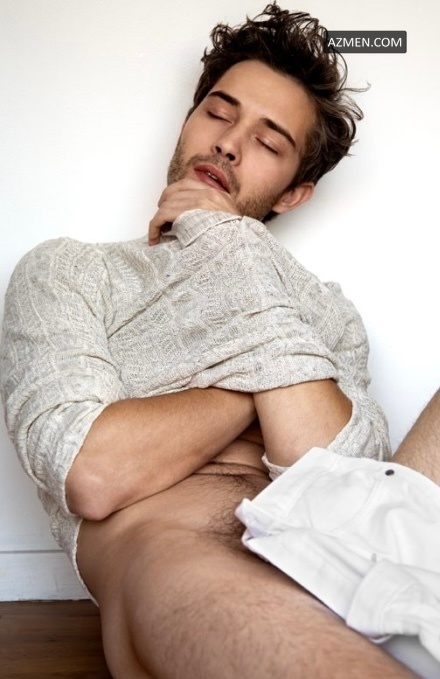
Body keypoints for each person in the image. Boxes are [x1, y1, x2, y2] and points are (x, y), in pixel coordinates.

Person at [0, 4, 420, 677]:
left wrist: (230, 243)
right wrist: (260, 388)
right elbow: (93, 473)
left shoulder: (327, 308)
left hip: (361, 543)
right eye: (219, 113)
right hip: (192, 553)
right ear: (187, 121)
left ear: (293, 195)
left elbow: (346, 476)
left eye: (269, 143)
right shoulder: (69, 270)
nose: (228, 144)